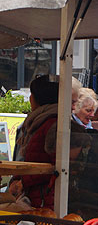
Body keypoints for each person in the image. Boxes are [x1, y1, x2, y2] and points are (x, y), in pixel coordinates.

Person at [12, 75, 60, 209]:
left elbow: (56, 165)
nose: (29, 99)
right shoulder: (37, 121)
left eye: (31, 94)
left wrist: (23, 182)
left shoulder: (53, 124)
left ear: (38, 98)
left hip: (44, 199)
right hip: (35, 196)